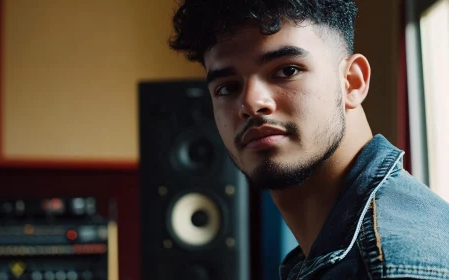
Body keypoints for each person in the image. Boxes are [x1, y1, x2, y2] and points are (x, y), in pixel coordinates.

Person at [167, 0, 449, 279]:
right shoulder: (339, 253)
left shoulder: (389, 265)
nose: (251, 102)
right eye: (227, 87)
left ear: (352, 81)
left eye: (287, 70)